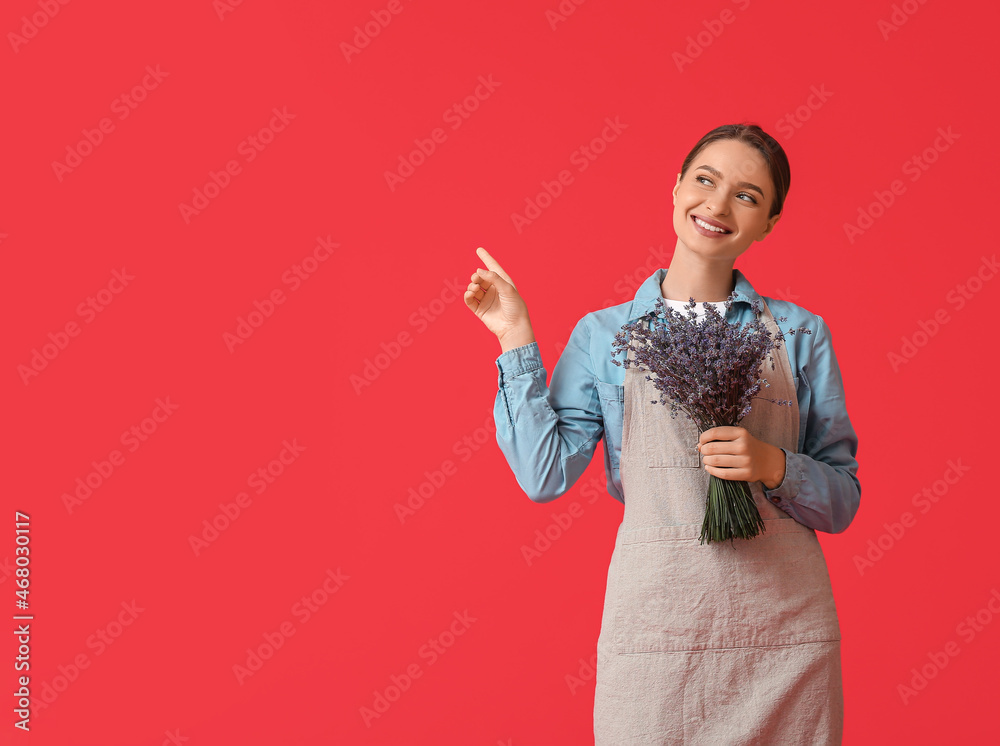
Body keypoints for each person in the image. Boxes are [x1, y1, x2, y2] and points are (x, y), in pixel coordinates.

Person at [464, 123, 860, 744]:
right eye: (705, 181)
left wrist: (775, 465)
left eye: (747, 196)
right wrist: (514, 336)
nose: (718, 205)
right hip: (657, 634)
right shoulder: (602, 336)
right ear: (675, 189)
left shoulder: (801, 335)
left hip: (783, 637)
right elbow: (544, 475)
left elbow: (842, 501)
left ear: (770, 223)